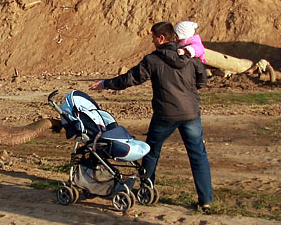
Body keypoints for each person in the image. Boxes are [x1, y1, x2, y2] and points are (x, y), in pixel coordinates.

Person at [90, 22, 213, 211]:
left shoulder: (153, 59)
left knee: (151, 151)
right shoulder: (190, 56)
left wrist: (105, 84)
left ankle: (147, 189)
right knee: (198, 154)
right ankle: (206, 200)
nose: (152, 41)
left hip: (165, 115)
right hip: (191, 113)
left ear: (161, 38)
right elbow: (202, 82)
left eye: (153, 37)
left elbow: (130, 78)